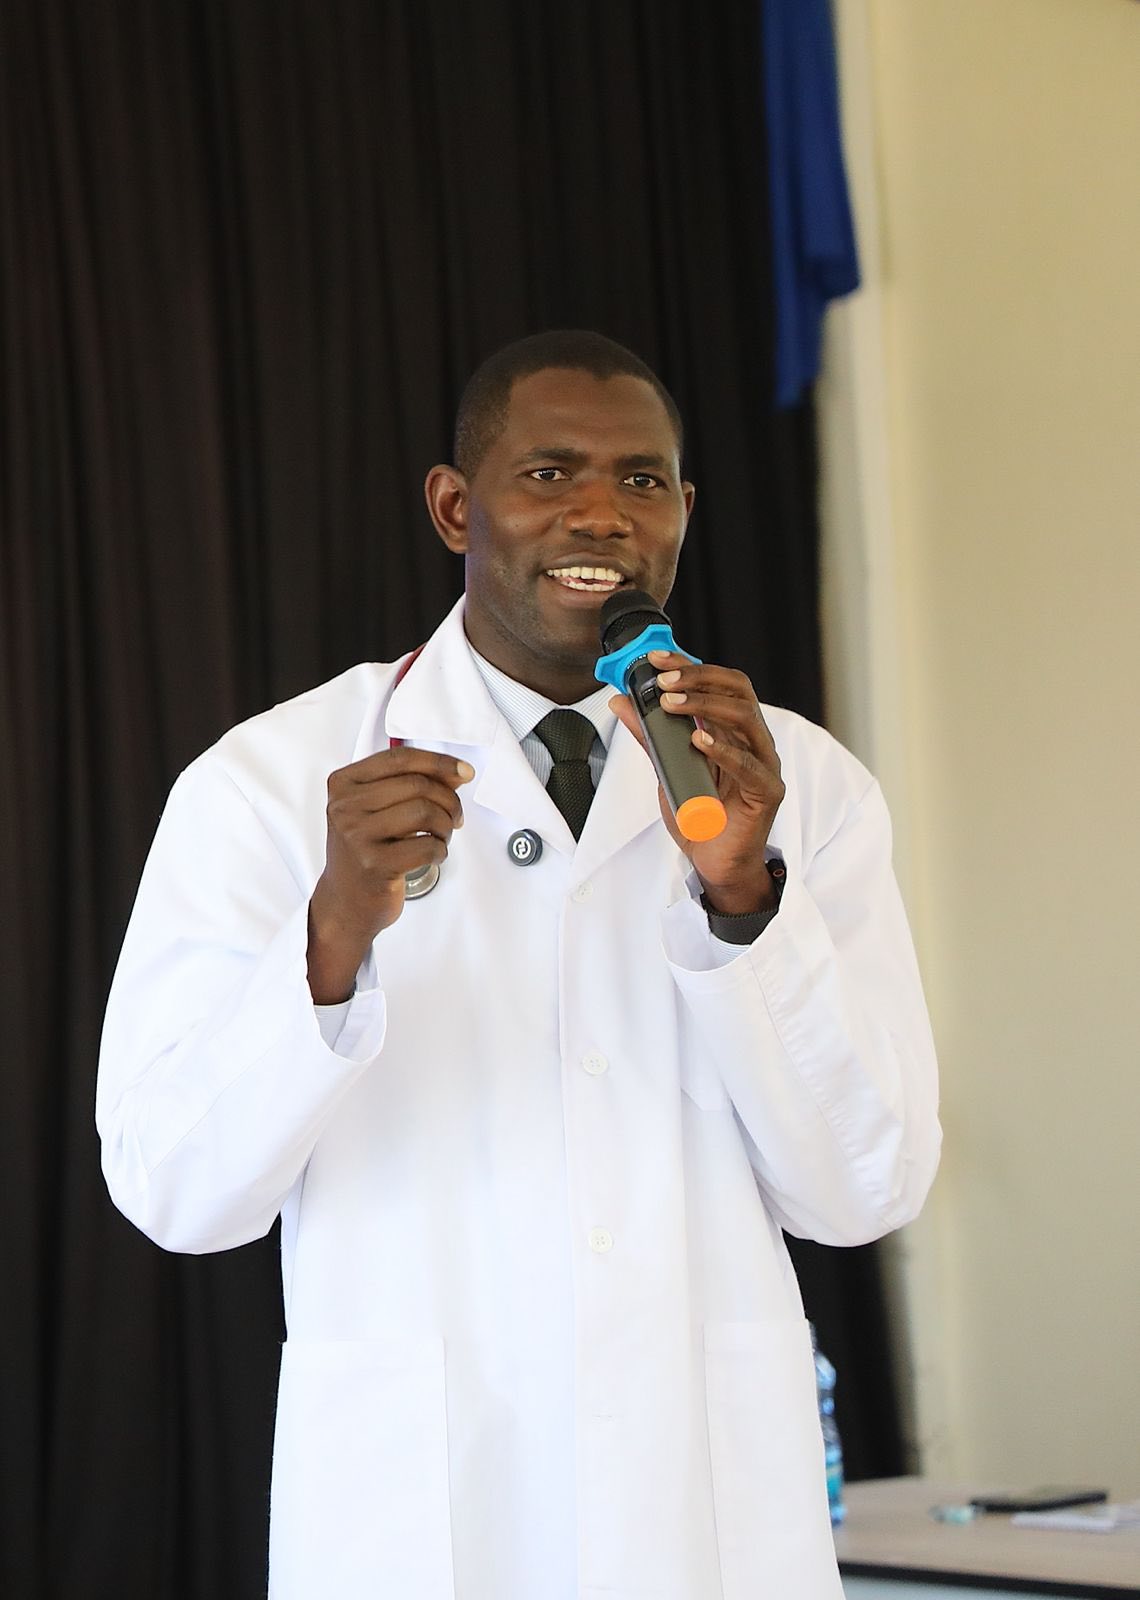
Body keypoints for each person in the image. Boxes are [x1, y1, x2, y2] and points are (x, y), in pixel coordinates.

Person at [97, 329, 940, 1600]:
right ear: (455, 507)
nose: (601, 511)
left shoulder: (798, 786)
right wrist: (331, 938)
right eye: (548, 473)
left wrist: (742, 901)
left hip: (701, 1529)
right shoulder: (267, 784)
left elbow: (866, 1186)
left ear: (685, 515)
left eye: (643, 481)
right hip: (427, 1530)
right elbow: (174, 1190)